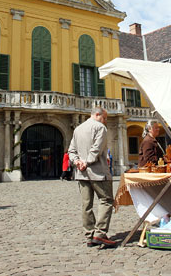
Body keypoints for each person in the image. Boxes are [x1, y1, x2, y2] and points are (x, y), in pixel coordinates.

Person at [68, 106, 116, 247]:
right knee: (106, 200)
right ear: (97, 114)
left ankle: (89, 235)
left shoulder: (78, 129)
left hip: (82, 174)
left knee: (86, 204)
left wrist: (77, 162)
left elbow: (71, 150)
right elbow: (97, 148)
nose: (105, 121)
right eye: (104, 118)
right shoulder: (100, 128)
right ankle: (100, 234)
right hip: (98, 172)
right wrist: (86, 162)